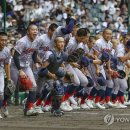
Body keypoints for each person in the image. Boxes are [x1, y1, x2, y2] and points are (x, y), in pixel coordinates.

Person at [12, 23, 40, 116]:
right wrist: (20, 70)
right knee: (10, 88)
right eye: (33, 29)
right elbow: (15, 56)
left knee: (33, 87)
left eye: (36, 29)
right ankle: (3, 106)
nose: (35, 31)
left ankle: (29, 109)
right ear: (28, 32)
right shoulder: (22, 41)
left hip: (26, 66)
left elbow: (34, 52)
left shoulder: (37, 40)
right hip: (15, 66)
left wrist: (35, 62)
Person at [0, 32, 11, 118]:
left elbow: (6, 65)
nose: (4, 42)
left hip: (0, 72)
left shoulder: (7, 50)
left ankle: (3, 107)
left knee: (1, 93)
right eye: (2, 40)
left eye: (5, 40)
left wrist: (9, 79)